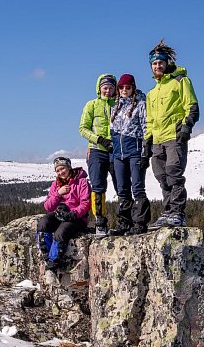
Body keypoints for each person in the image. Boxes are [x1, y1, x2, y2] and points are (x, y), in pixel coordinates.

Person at [144, 39, 199, 228]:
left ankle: (177, 213)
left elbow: (191, 106)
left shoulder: (180, 81)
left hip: (174, 136)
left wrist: (185, 128)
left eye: (160, 62)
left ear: (167, 63)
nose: (157, 66)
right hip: (157, 140)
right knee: (161, 176)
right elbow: (150, 120)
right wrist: (147, 140)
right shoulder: (152, 93)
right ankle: (167, 212)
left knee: (174, 173)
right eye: (154, 63)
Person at [108, 74, 151, 235]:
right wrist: (113, 155)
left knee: (138, 187)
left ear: (133, 87)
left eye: (128, 87)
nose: (124, 90)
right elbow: (112, 132)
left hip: (135, 150)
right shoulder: (116, 107)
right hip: (119, 153)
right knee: (122, 189)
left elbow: (146, 126)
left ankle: (139, 223)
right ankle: (124, 223)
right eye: (121, 87)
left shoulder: (141, 104)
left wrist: (146, 151)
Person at [79, 74, 117, 237]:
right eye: (105, 87)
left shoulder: (119, 105)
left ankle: (126, 220)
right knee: (98, 187)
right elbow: (83, 128)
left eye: (111, 88)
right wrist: (99, 139)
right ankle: (100, 222)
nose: (108, 91)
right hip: (96, 150)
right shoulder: (91, 105)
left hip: (116, 150)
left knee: (122, 185)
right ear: (99, 88)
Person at [37, 157, 91, 270]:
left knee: (60, 232)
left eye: (63, 168)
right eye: (58, 170)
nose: (61, 172)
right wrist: (58, 193)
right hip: (60, 215)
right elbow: (48, 206)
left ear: (69, 167)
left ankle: (54, 261)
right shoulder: (56, 184)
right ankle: (47, 257)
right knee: (43, 223)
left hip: (77, 218)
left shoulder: (81, 182)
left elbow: (86, 203)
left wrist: (73, 214)